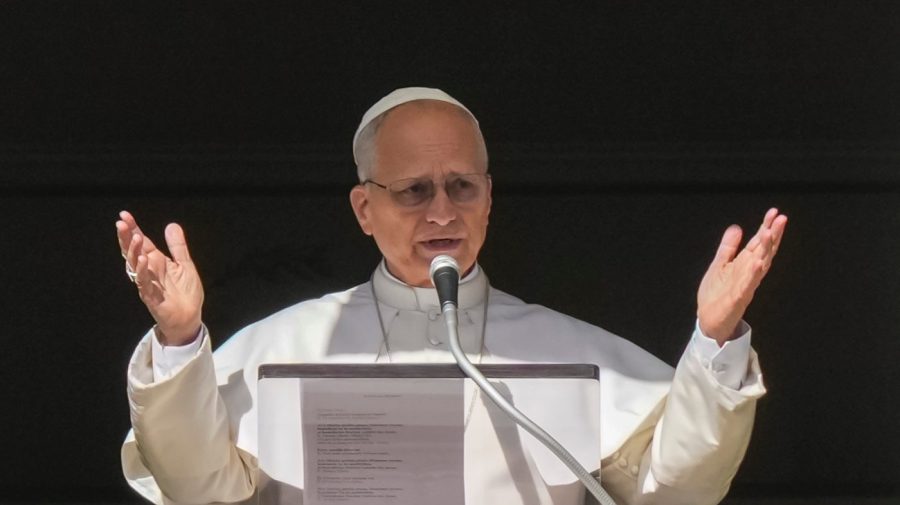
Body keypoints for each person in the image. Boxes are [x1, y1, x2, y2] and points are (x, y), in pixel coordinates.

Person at [117, 87, 787, 505]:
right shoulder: (285, 344)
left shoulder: (569, 350)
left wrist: (715, 340)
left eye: (461, 186)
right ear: (364, 209)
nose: (442, 212)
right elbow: (200, 491)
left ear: (488, 197)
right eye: (414, 190)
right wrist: (179, 340)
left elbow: (676, 491)